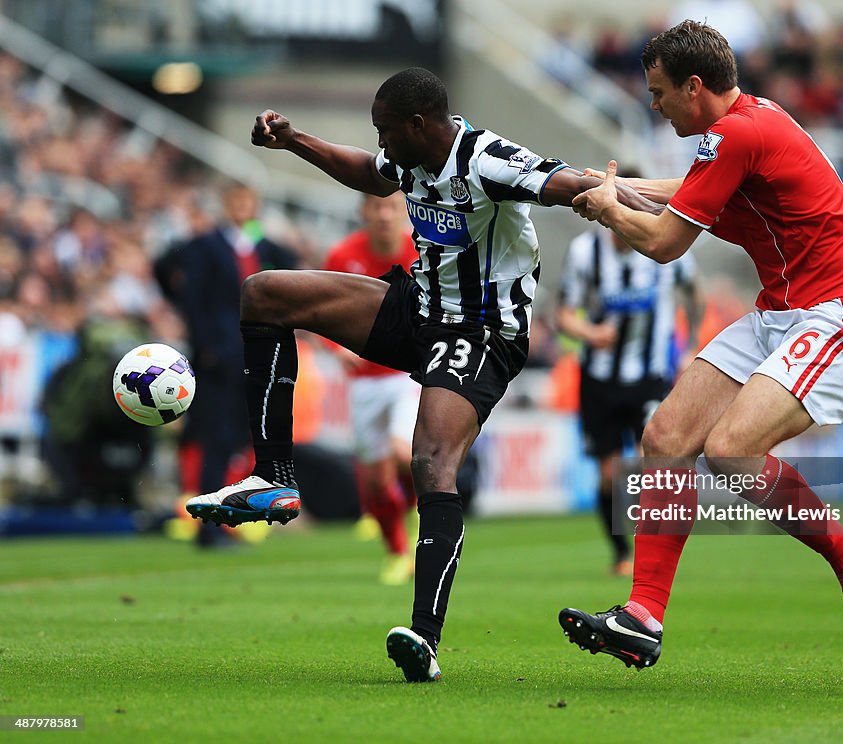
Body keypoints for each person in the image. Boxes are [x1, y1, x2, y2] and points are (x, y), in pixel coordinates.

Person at [185, 67, 619, 682]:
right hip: (419, 309)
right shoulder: (410, 157)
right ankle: (272, 478)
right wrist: (294, 140)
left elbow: (556, 179)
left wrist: (604, 193)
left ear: (419, 124)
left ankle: (425, 637)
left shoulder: (485, 158)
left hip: (484, 332)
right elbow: (369, 171)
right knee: (265, 294)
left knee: (429, 462)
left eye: (387, 132)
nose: (382, 143)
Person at [559, 21, 843, 669]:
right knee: (665, 438)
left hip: (839, 312)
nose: (653, 106)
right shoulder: (744, 123)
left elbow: (661, 244)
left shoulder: (738, 134)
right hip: (782, 311)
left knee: (732, 451)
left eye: (659, 93)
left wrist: (607, 208)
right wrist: (606, 186)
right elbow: (683, 194)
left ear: (694, 86)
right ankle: (642, 616)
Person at [557, 182, 701, 576]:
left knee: (649, 458)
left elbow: (694, 294)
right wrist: (590, 334)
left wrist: (691, 344)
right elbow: (564, 314)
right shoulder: (585, 253)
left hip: (650, 375)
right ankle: (621, 553)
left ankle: (653, 552)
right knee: (607, 473)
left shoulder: (665, 251)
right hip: (599, 379)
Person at [176, 184, 296, 548]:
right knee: (216, 439)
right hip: (221, 358)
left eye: (248, 202)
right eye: (236, 201)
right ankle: (207, 528)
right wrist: (206, 346)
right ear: (226, 206)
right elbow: (192, 300)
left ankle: (234, 516)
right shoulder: (206, 246)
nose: (242, 208)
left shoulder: (266, 249)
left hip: (256, 352)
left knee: (246, 438)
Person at [323, 192, 420, 585]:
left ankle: (414, 503)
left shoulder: (422, 251)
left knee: (403, 451)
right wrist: (335, 348)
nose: (383, 215)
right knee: (377, 480)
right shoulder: (343, 256)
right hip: (363, 382)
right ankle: (397, 552)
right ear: (364, 211)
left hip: (406, 375)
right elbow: (321, 311)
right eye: (376, 207)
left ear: (404, 211)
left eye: (391, 207)